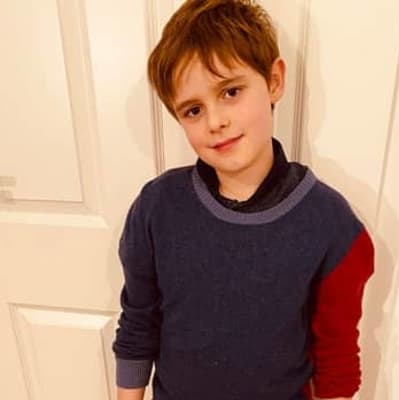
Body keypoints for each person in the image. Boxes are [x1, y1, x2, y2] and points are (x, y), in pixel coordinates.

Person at [112, 1, 375, 399]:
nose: (215, 121)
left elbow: (336, 359)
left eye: (230, 92)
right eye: (193, 110)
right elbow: (137, 326)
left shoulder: (331, 226)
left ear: (274, 80)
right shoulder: (156, 208)